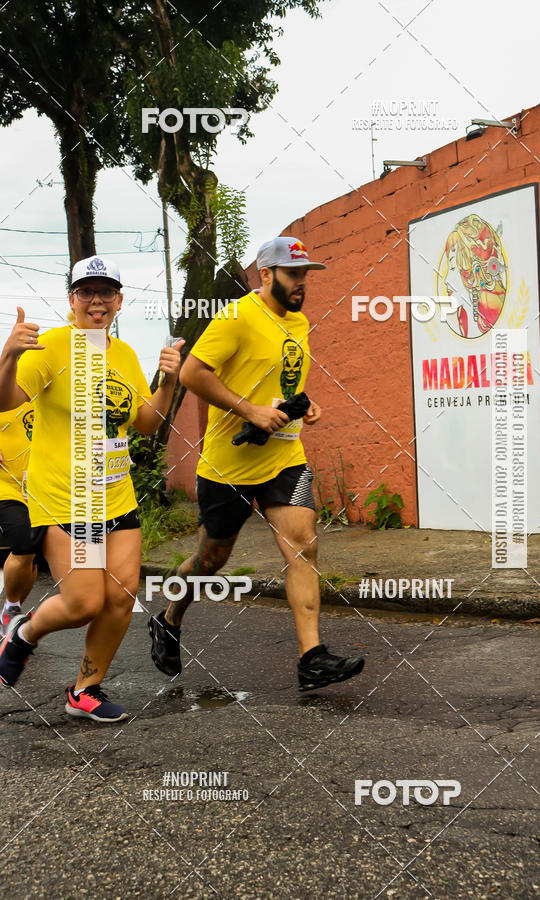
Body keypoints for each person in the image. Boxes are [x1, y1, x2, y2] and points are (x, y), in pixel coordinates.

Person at [149, 236, 365, 691]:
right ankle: (169, 618)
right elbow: (192, 374)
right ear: (266, 275)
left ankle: (312, 657)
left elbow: (278, 378)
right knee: (212, 560)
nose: (302, 283)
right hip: (228, 465)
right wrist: (249, 412)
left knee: (303, 544)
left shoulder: (300, 323)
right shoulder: (236, 317)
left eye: (305, 275)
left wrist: (303, 405)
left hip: (285, 458)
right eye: (293, 274)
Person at [0, 255, 183, 722]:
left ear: (119, 301)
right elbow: (5, 401)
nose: (96, 300)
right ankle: (22, 633)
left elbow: (144, 422)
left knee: (121, 598)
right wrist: (10, 355)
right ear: (72, 300)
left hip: (117, 495)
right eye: (86, 292)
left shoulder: (122, 355)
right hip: (65, 497)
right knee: (84, 602)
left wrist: (167, 381)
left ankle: (85, 689)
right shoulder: (51, 348)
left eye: (106, 292)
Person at [0, 401, 37, 636]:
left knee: (32, 556)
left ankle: (12, 611)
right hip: (4, 485)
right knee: (24, 543)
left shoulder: (42, 388)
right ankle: (10, 609)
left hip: (38, 487)